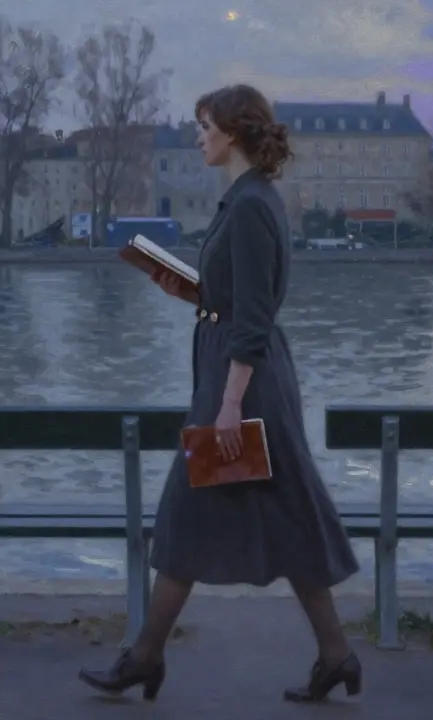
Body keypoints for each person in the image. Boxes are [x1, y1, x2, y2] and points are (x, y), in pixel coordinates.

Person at [78, 84, 361, 703]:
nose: (197, 135)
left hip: (243, 384)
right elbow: (233, 298)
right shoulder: (246, 200)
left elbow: (256, 315)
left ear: (231, 132)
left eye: (203, 125)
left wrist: (230, 403)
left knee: (186, 513)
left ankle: (145, 657)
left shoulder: (253, 206)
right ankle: (335, 654)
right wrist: (183, 285)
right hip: (241, 375)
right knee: (286, 516)